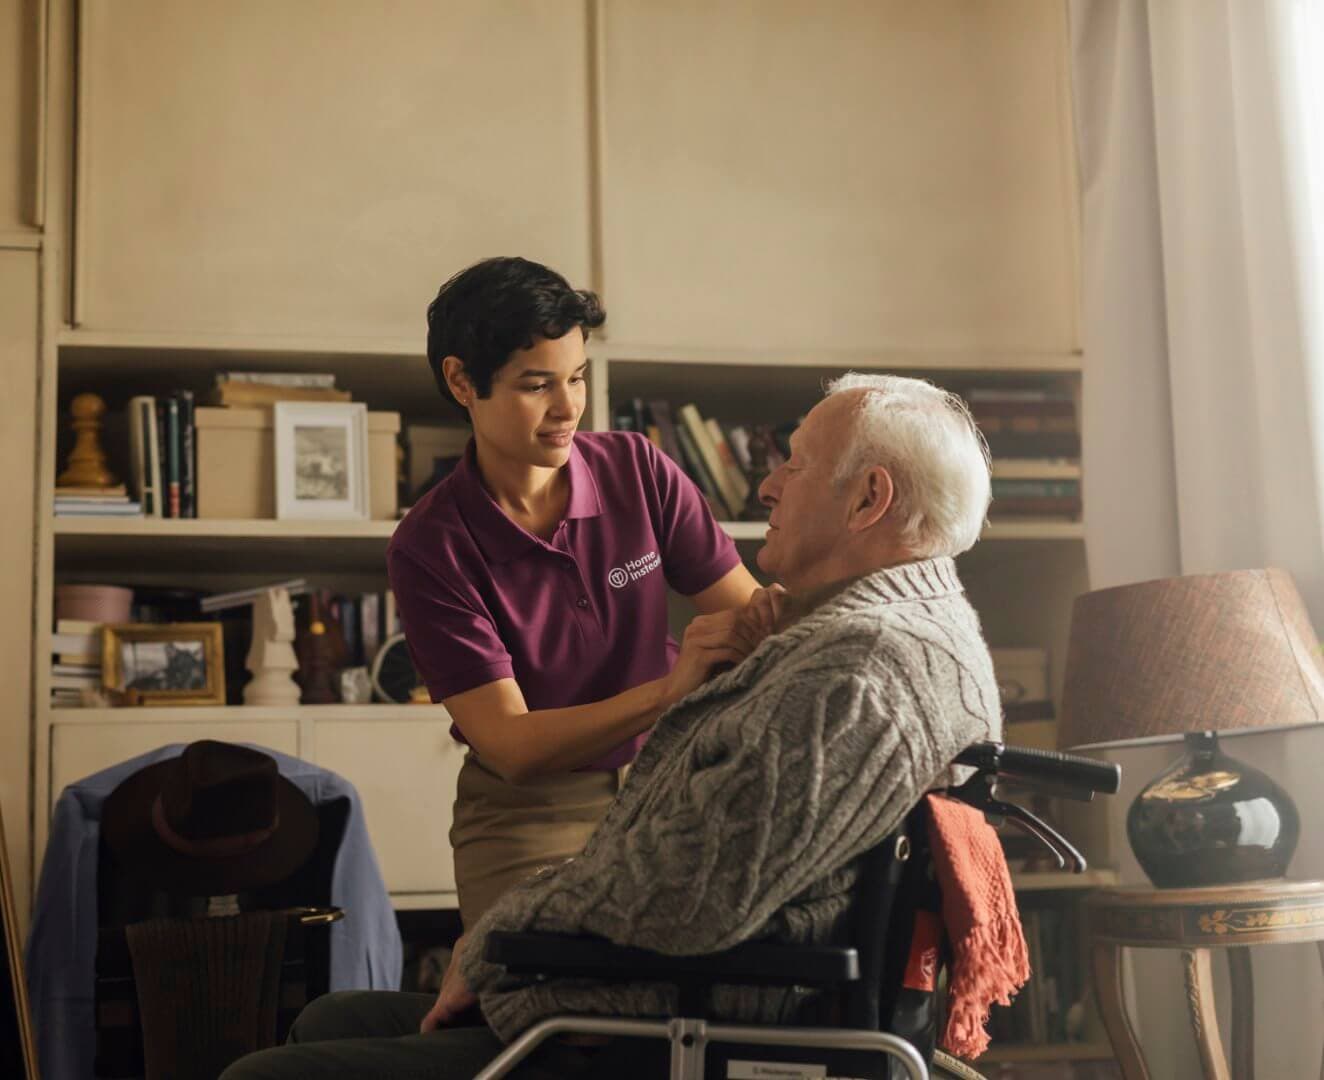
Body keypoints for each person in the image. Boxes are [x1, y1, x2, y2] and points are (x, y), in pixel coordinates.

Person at [221, 372, 1004, 1080]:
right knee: (332, 1018)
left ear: (869, 500)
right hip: (693, 970)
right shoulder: (904, 632)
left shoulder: (857, 670)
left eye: (793, 463)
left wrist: (501, 933)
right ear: (466, 385)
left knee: (267, 1073)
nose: (766, 485)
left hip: (695, 1021)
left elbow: (692, 894)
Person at [385, 257, 769, 931]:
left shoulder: (638, 470)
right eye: (538, 386)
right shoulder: (431, 546)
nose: (568, 408)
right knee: (533, 1009)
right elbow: (512, 745)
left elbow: (755, 620)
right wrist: (667, 692)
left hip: (674, 778)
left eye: (577, 378)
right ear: (460, 382)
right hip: (530, 813)